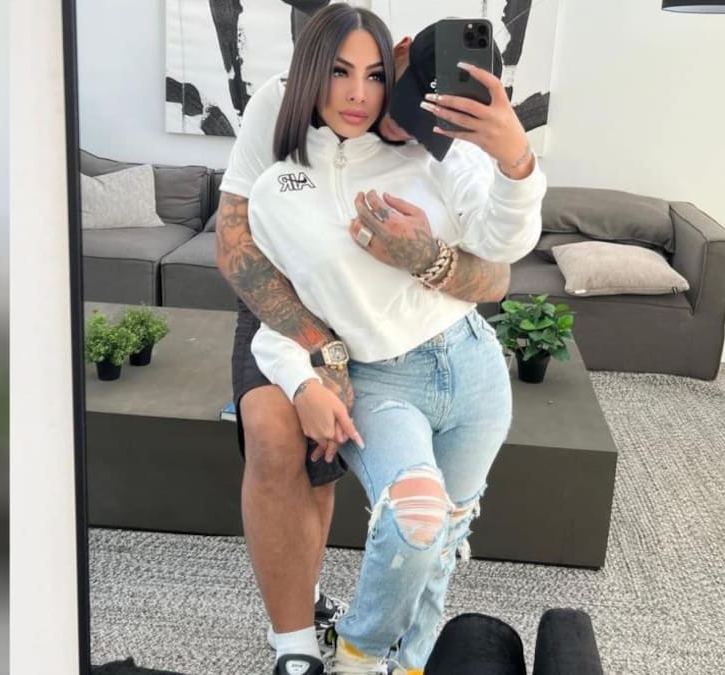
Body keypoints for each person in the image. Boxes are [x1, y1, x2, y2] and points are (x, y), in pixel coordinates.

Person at [213, 11, 522, 675]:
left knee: (442, 530)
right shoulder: (277, 145)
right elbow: (238, 249)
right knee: (278, 436)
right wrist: (318, 363)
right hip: (303, 312)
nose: (359, 94)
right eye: (340, 73)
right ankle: (301, 640)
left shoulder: (428, 142)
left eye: (376, 77)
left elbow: (498, 271)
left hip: (456, 348)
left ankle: (407, 658)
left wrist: (505, 173)